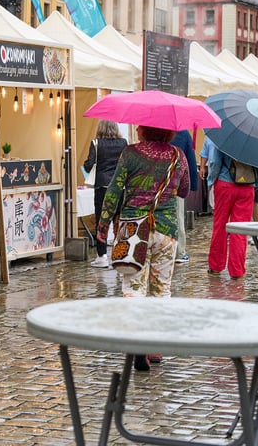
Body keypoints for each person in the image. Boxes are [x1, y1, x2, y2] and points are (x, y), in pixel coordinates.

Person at [96, 125, 189, 371]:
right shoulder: (178, 155)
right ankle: (155, 346)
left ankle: (136, 341)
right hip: (166, 230)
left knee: (133, 286)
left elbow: (114, 190)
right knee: (161, 289)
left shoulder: (130, 154)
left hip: (133, 229)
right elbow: (185, 190)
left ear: (144, 129)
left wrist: (103, 223)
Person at [205, 141, 258, 280]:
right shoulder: (257, 139)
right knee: (240, 230)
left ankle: (216, 266)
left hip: (225, 183)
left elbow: (215, 162)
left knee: (220, 226)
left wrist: (212, 180)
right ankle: (237, 270)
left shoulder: (225, 135)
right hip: (247, 186)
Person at [82, 120, 127, 268]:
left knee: (102, 220)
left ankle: (102, 256)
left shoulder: (96, 143)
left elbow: (89, 165)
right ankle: (119, 253)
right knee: (118, 220)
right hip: (119, 186)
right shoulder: (123, 143)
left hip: (102, 186)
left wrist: (85, 164)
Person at [171, 130, 199, 263]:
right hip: (175, 183)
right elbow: (190, 160)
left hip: (153, 182)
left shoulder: (150, 129)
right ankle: (179, 252)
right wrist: (193, 185)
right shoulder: (182, 134)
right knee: (177, 216)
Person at [199, 136, 217, 214]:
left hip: (230, 177)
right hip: (213, 176)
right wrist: (202, 167)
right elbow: (204, 153)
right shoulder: (209, 136)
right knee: (215, 206)